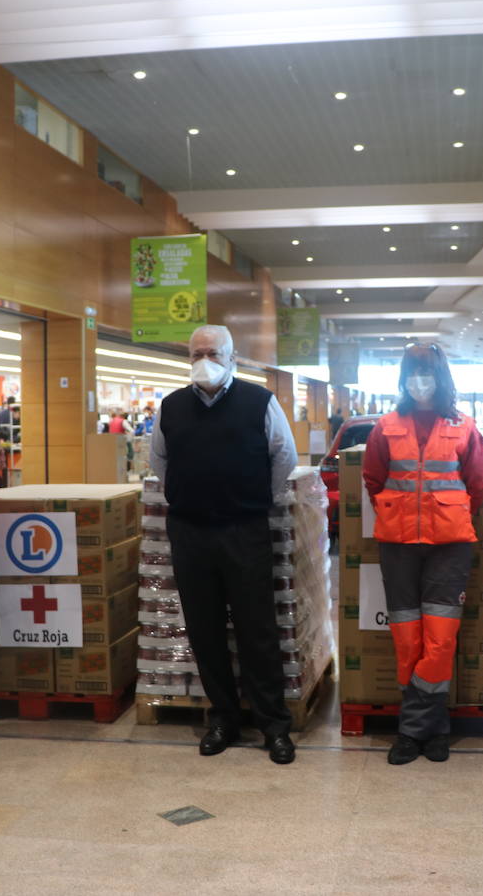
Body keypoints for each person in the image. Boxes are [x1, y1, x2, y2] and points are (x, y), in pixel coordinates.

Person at [150, 325, 299, 764]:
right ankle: (223, 720)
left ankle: (274, 725)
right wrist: (191, 495)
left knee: (257, 630)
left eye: (212, 353)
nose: (204, 360)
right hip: (190, 531)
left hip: (244, 529)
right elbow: (159, 460)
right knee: (205, 629)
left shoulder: (260, 402)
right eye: (196, 353)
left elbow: (283, 457)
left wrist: (251, 499)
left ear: (232, 357)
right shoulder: (172, 406)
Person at [363, 343, 483, 765]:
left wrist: (447, 516)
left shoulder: (464, 427)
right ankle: (429, 731)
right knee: (407, 639)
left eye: (427, 373)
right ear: (403, 378)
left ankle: (417, 729)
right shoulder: (385, 427)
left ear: (442, 378)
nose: (419, 381)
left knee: (439, 640)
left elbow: (476, 487)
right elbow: (374, 479)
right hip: (398, 546)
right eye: (413, 373)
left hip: (449, 548)